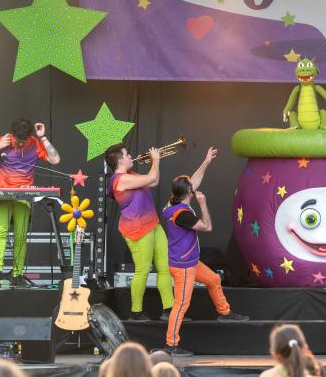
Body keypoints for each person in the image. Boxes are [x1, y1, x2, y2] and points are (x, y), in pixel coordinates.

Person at [163, 148, 249, 357]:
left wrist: (206, 161)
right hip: (183, 267)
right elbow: (207, 226)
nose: (194, 187)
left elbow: (193, 180)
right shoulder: (182, 215)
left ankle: (224, 312)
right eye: (192, 188)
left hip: (190, 261)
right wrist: (203, 203)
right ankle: (171, 345)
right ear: (189, 193)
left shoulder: (172, 202)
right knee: (181, 305)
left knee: (213, 279)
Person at [0, 118, 61, 287]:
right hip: (3, 194)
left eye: (23, 141)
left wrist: (43, 137)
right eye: (17, 141)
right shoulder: (4, 140)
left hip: (24, 196)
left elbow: (55, 160)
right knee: (1, 231)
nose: (20, 144)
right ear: (12, 135)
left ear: (29, 137)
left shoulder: (34, 143)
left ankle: (17, 274)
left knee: (21, 236)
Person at [105, 144, 173, 321]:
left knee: (165, 269)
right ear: (120, 161)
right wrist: (155, 160)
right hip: (137, 228)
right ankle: (136, 312)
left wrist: (155, 162)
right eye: (127, 155)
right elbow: (152, 177)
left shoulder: (131, 175)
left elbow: (154, 181)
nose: (130, 156)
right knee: (143, 270)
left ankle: (169, 309)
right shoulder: (120, 180)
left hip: (153, 224)